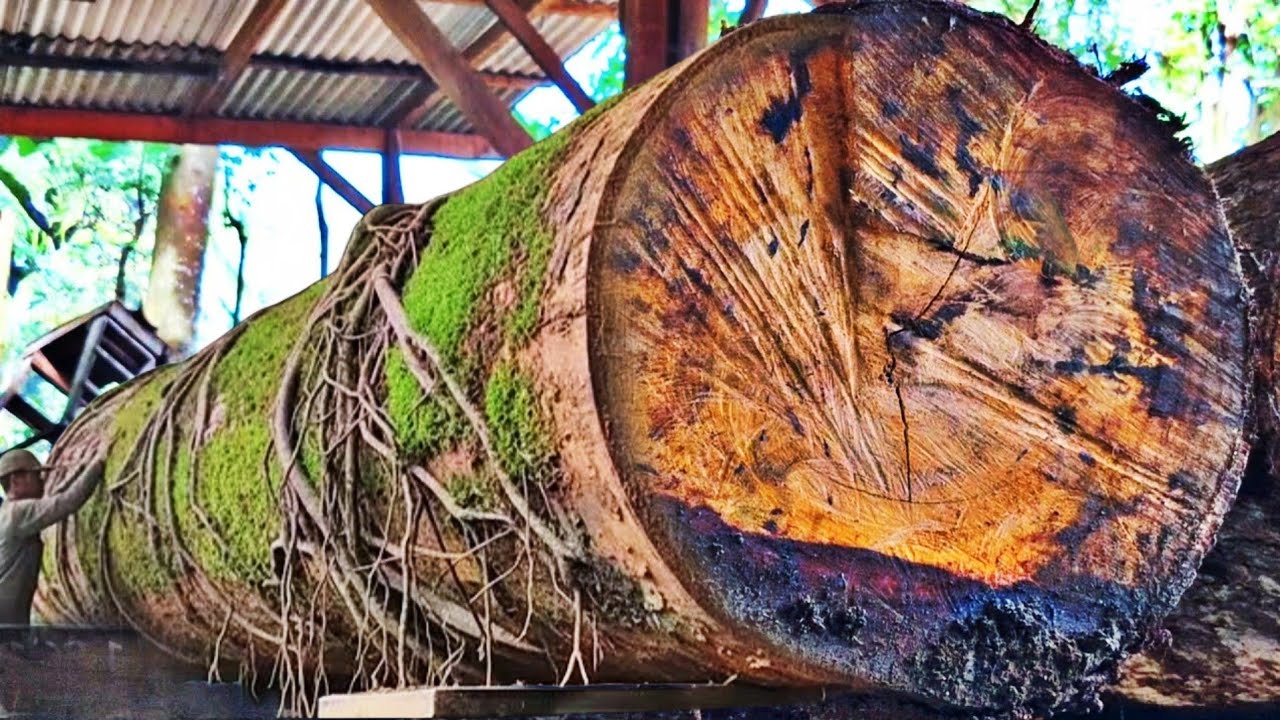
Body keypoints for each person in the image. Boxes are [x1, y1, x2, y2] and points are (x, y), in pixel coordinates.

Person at [0, 449, 104, 626]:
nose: (42, 480)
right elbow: (67, 501)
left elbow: (56, 498)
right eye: (36, 475)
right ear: (15, 480)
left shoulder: (6, 513)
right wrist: (98, 464)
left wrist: (81, 472)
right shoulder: (19, 513)